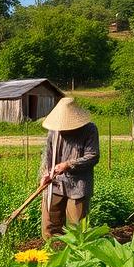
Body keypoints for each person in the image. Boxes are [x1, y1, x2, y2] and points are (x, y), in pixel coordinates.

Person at [38, 97, 99, 239]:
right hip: (56, 183)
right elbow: (48, 153)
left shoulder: (89, 129)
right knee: (50, 227)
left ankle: (76, 257)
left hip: (78, 185)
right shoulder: (54, 130)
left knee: (77, 229)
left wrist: (68, 165)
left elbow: (93, 156)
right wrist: (46, 173)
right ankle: (53, 255)